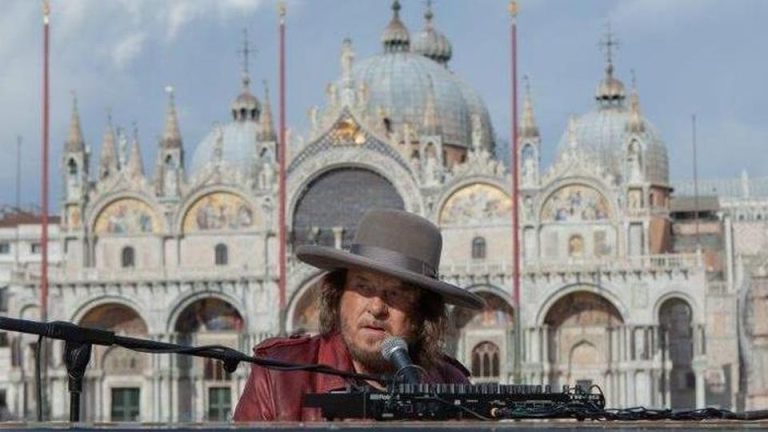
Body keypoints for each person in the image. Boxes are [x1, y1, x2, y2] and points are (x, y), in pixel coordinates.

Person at [233, 209, 485, 422]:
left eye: (396, 293)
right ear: (338, 295)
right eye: (363, 287)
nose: (376, 308)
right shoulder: (280, 373)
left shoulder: (450, 383)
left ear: (423, 313)